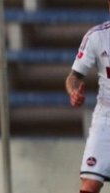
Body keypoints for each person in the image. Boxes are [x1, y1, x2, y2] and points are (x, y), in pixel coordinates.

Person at [66, 1, 110, 193]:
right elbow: (74, 76)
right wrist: (74, 91)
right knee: (90, 184)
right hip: (106, 116)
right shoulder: (97, 36)